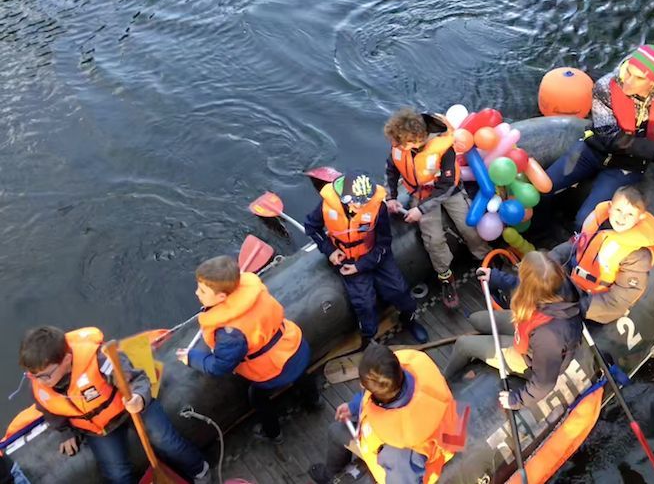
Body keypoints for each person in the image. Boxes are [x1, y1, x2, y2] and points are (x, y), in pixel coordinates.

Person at [545, 38, 654, 229]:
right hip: (593, 149)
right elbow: (608, 136)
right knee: (544, 187)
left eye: (639, 78)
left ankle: (575, 248)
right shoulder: (605, 86)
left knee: (586, 222)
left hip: (628, 164)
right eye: (629, 72)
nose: (627, 83)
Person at [18, 326, 209, 484]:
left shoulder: (100, 361)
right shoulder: (41, 385)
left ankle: (200, 470)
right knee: (116, 473)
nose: (39, 381)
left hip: (131, 408)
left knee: (166, 441)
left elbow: (138, 380)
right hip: (100, 428)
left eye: (45, 375)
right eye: (33, 375)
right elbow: (51, 411)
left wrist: (139, 398)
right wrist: (67, 433)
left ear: (66, 361)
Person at [176, 255, 318, 443]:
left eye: (202, 290)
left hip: (274, 368)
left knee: (257, 397)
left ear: (221, 297)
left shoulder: (230, 334)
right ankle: (313, 401)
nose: (196, 293)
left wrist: (192, 358)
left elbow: (220, 366)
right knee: (302, 374)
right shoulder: (253, 291)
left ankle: (273, 433)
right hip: (295, 345)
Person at [443, 251, 581, 412]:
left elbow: (544, 384)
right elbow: (522, 285)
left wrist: (516, 400)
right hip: (531, 324)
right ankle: (485, 347)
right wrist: (494, 277)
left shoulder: (548, 337)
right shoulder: (555, 284)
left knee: (463, 344)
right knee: (476, 319)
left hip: (528, 359)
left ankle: (442, 381)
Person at [305, 170, 428, 348]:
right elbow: (311, 227)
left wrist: (362, 265)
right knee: (365, 304)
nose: (361, 206)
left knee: (400, 290)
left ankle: (409, 319)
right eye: (357, 202)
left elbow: (384, 243)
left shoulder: (378, 207)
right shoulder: (326, 206)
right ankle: (368, 339)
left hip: (375, 255)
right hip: (347, 259)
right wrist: (330, 250)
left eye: (364, 202)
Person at [308, 344, 465, 484]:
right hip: (444, 433)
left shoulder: (400, 451)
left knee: (336, 432)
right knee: (336, 431)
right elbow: (378, 392)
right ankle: (330, 473)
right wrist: (354, 406)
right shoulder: (414, 368)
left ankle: (328, 475)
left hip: (406, 465)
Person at [383, 108, 491, 306]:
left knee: (468, 226)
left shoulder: (444, 147)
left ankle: (485, 260)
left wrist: (420, 210)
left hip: (448, 191)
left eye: (400, 142)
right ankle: (446, 279)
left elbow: (447, 186)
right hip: (421, 193)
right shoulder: (398, 146)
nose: (395, 146)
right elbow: (391, 170)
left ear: (416, 140)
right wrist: (391, 197)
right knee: (433, 241)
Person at [549, 185, 654, 324]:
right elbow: (576, 245)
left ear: (641, 217)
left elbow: (621, 298)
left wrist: (578, 307)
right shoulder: (598, 221)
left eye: (630, 214)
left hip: (595, 303)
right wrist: (550, 260)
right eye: (619, 210)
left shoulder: (637, 255)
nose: (622, 218)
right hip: (574, 281)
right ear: (610, 207)